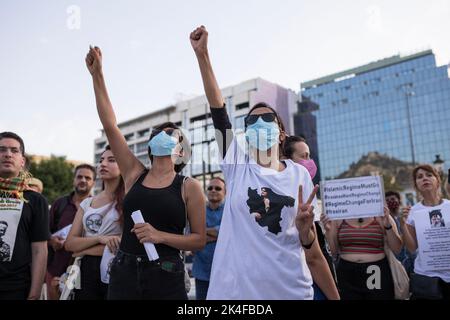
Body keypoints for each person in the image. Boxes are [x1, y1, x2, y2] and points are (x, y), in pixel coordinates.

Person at [191, 26, 338, 299]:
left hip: (292, 292)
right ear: (245, 133)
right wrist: (203, 56)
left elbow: (314, 253)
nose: (259, 123)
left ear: (281, 132)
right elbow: (218, 111)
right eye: (251, 121)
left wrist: (307, 233)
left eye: (266, 118)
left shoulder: (300, 177)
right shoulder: (236, 166)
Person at [85, 45, 206, 300]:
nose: (164, 134)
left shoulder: (189, 186)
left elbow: (198, 240)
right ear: (150, 145)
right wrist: (97, 75)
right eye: (158, 132)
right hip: (125, 272)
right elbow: (110, 124)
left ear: (182, 151)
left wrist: (159, 235)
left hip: (167, 272)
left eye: (172, 133)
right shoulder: (133, 173)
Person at [65, 146, 124, 299]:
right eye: (101, 160)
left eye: (111, 160)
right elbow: (70, 244)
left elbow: (126, 245)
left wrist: (83, 250)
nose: (103, 164)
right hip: (84, 272)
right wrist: (99, 239)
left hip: (117, 270)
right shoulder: (87, 203)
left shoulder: (130, 200)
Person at [283, 135, 337, 300]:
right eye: (304, 156)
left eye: (309, 155)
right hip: (308, 282)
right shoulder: (291, 203)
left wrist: (328, 231)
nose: (309, 161)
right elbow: (312, 257)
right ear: (287, 160)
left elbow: (324, 249)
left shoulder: (311, 197)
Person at [0, 132, 49, 300]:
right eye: (2, 149)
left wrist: (34, 294)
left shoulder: (36, 200)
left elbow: (39, 250)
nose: (7, 154)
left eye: (14, 150)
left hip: (17, 288)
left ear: (22, 161)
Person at [321, 204, 403, 299]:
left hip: (375, 271)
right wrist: (328, 230)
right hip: (347, 272)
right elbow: (334, 252)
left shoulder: (381, 214)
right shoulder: (339, 216)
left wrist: (388, 226)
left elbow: (397, 249)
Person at [46, 163, 96, 300]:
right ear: (73, 179)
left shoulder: (97, 206)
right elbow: (45, 231)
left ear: (94, 182)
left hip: (84, 270)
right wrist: (51, 240)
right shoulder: (59, 204)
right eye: (79, 177)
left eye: (88, 178)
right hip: (56, 268)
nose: (83, 180)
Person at [401, 164, 450, 299]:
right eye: (419, 177)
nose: (424, 179)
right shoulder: (412, 212)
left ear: (437, 180)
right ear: (416, 185)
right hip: (426, 277)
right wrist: (402, 224)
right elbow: (411, 248)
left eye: (429, 175)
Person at [192, 177, 225, 300]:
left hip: (224, 271)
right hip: (202, 272)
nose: (213, 190)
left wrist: (201, 233)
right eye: (210, 188)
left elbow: (228, 233)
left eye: (218, 188)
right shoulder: (197, 210)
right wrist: (218, 234)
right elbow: (190, 236)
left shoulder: (230, 211)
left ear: (225, 192)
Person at [385, 190, 416, 275]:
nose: (390, 202)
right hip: (395, 261)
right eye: (387, 200)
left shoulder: (407, 216)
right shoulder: (386, 221)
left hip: (410, 259)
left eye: (392, 199)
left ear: (399, 200)